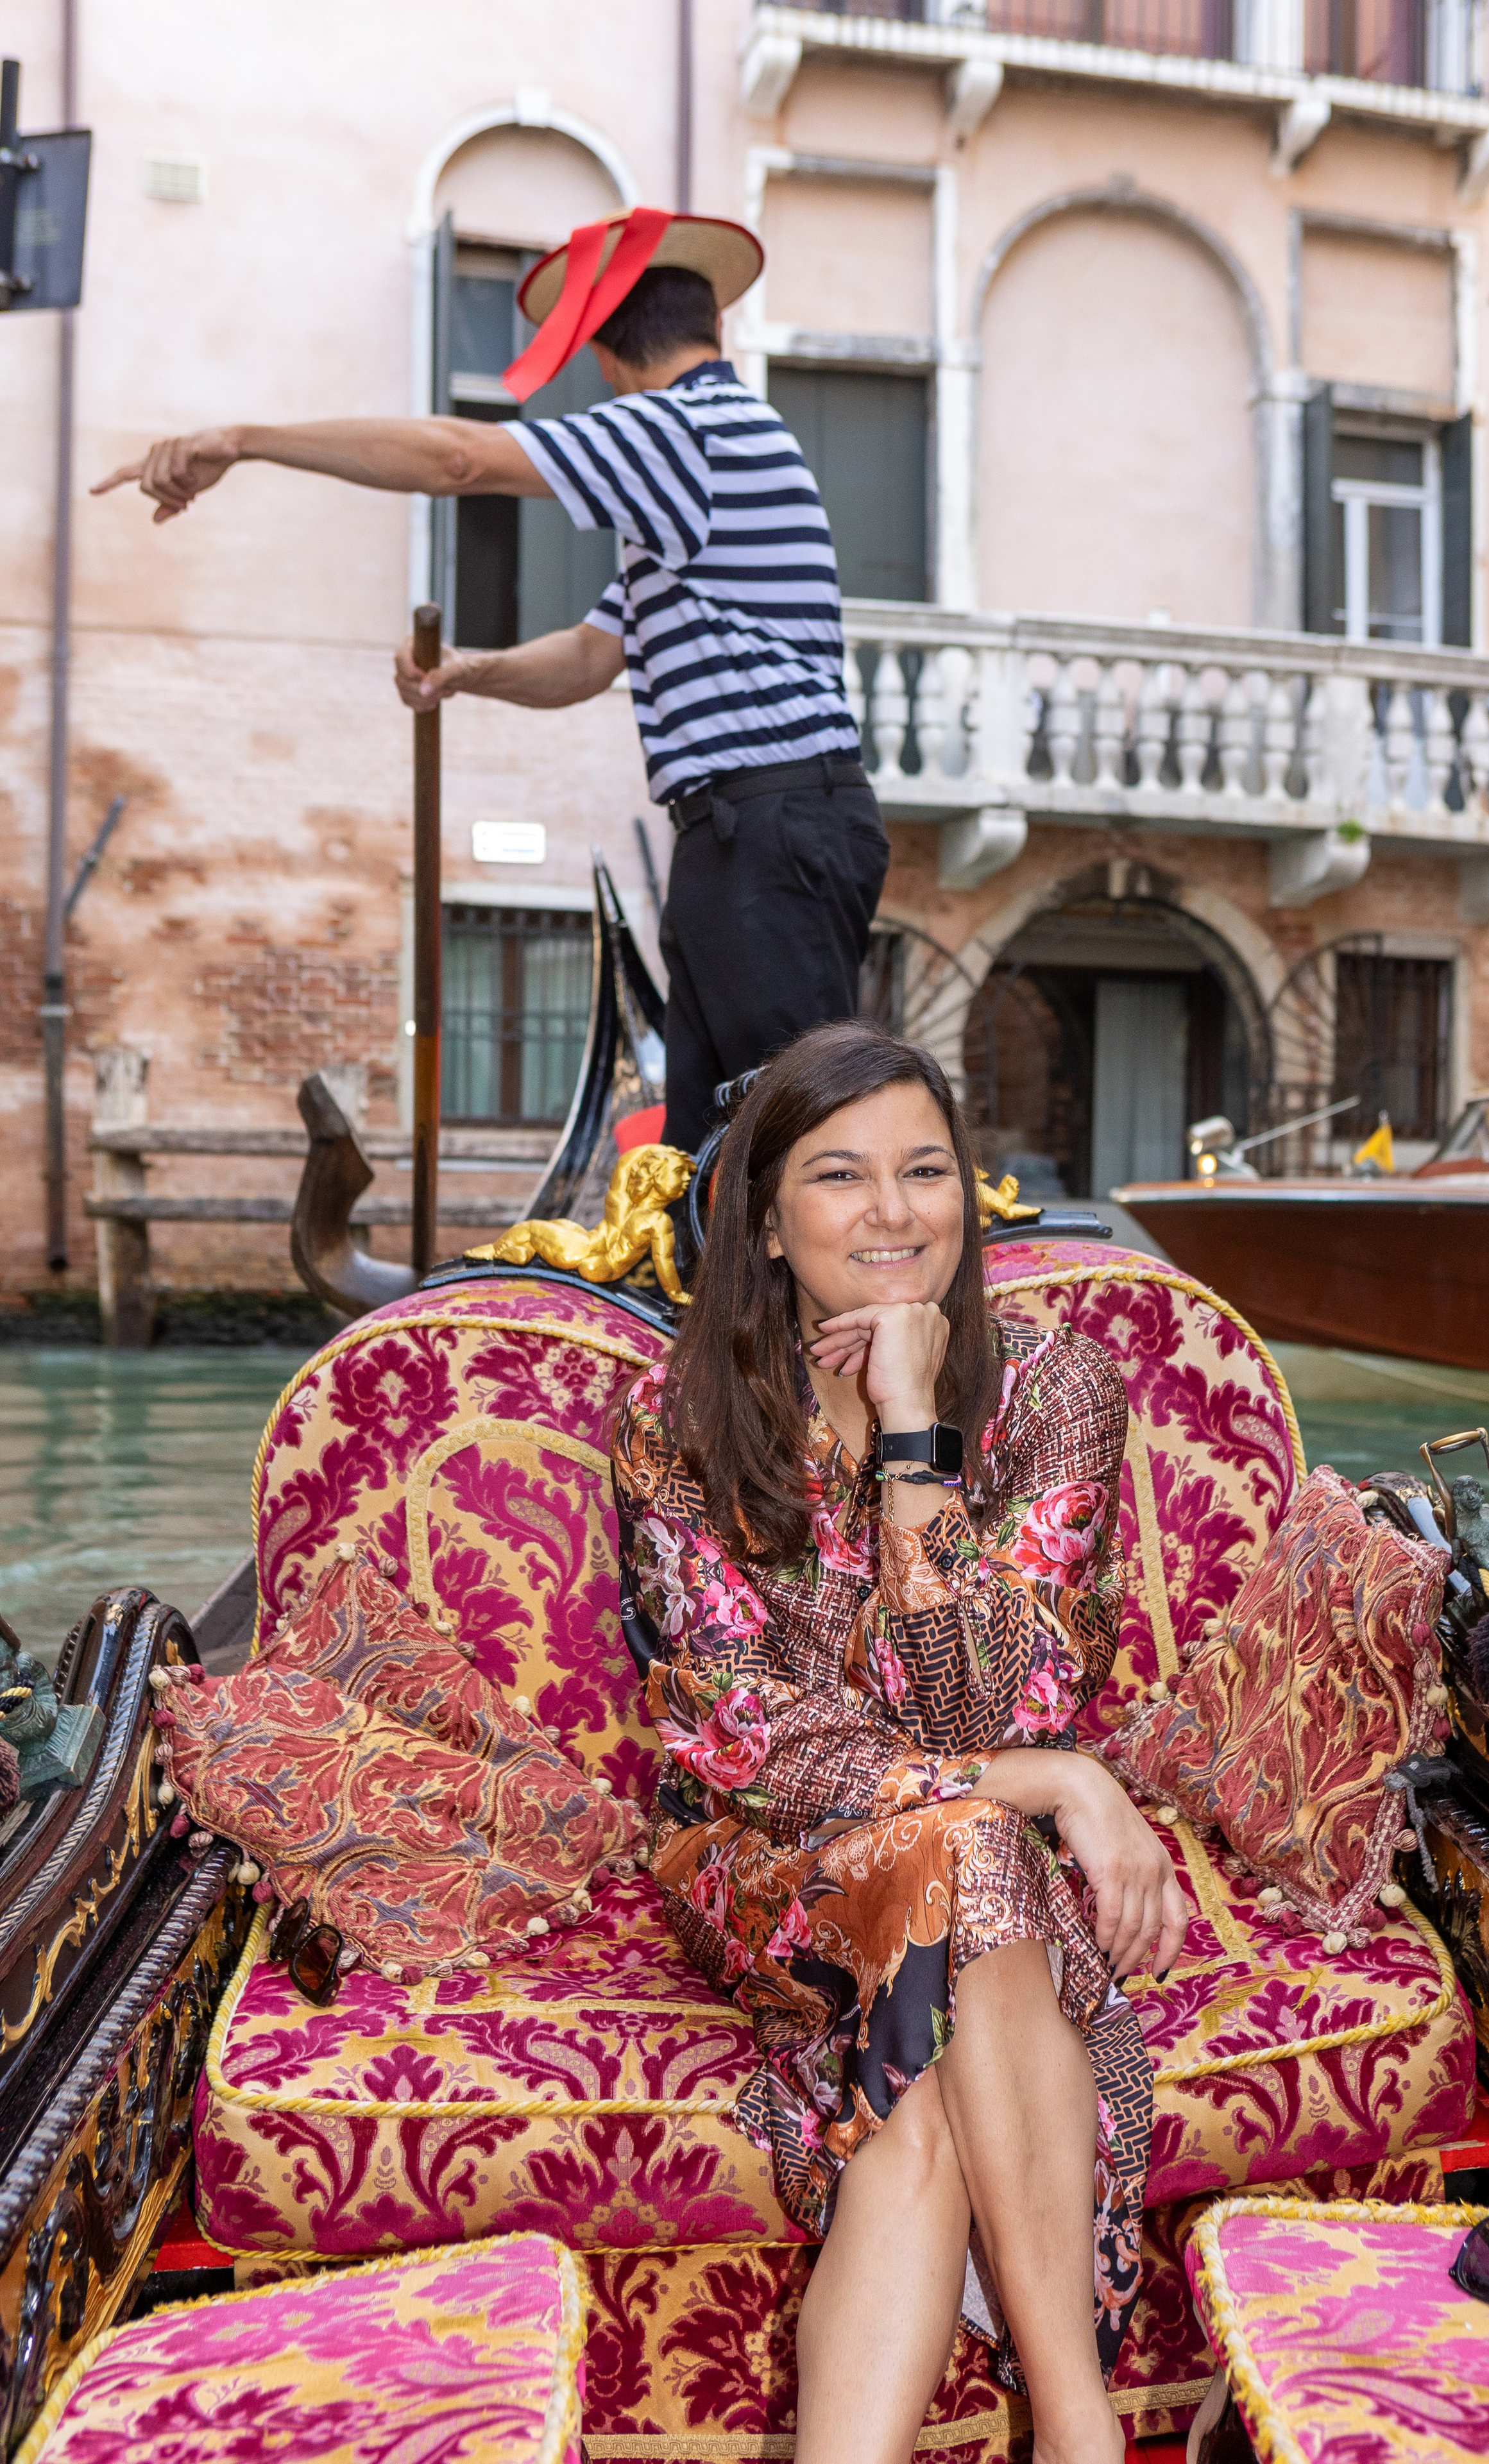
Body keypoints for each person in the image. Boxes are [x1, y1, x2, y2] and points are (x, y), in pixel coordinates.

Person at [611, 1019, 1189, 2464]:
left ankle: (1057, 2432)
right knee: (984, 1841)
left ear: (967, 1196)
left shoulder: (1056, 1392)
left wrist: (915, 1430)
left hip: (950, 1878)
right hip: (763, 1868)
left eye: (925, 1170)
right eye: (838, 1175)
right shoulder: (674, 1423)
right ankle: (1082, 2430)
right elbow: (754, 1742)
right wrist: (1058, 1781)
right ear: (765, 1215)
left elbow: (987, 1705)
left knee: (927, 2048)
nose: (891, 1213)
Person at [92, 208, 889, 1155]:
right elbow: (591, 658)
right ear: (712, 325)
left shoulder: (686, 431)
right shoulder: (697, 477)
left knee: (802, 1148)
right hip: (743, 839)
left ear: (602, 349)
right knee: (710, 1160)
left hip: (770, 835)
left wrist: (248, 440)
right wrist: (469, 673)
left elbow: (458, 459)